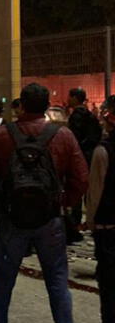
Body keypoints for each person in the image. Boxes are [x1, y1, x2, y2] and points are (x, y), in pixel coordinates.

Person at [0, 83, 88, 323]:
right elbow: (81, 178)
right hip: (50, 220)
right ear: (47, 106)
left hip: (12, 219)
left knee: (3, 281)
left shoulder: (2, 135)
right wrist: (63, 202)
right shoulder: (63, 135)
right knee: (57, 280)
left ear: (21, 106)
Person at [85, 95, 115, 323]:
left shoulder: (103, 150)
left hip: (109, 226)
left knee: (108, 280)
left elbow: (95, 192)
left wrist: (90, 222)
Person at [66, 88, 103, 244]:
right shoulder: (90, 115)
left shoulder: (77, 115)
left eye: (70, 96)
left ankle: (74, 223)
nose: (68, 99)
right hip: (90, 156)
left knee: (76, 189)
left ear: (75, 98)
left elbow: (74, 138)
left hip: (80, 156)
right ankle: (90, 220)